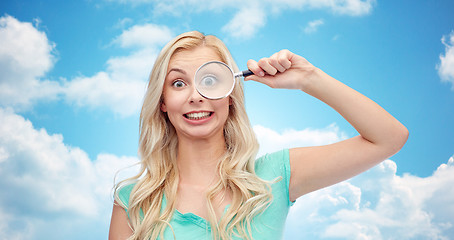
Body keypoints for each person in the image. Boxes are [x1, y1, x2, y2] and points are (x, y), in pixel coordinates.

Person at [108, 31, 408, 240]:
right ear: (162, 102)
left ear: (230, 95)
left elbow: (388, 138)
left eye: (210, 80)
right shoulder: (134, 200)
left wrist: (308, 78)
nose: (196, 96)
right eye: (177, 84)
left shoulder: (274, 178)